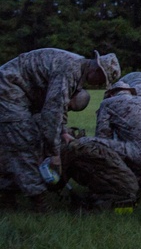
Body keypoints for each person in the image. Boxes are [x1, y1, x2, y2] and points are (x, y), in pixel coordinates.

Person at [0, 48, 119, 212]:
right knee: (26, 144)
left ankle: (7, 198)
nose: (98, 85)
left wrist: (63, 131)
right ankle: (39, 203)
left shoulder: (76, 68)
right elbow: (52, 112)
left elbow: (59, 107)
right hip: (8, 89)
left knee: (10, 145)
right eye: (101, 80)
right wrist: (54, 154)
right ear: (96, 69)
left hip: (15, 91)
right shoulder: (70, 69)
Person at [83, 80, 141, 188]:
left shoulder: (108, 103)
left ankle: (110, 179)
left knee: (86, 142)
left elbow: (102, 136)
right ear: (130, 92)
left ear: (111, 94)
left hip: (138, 153)